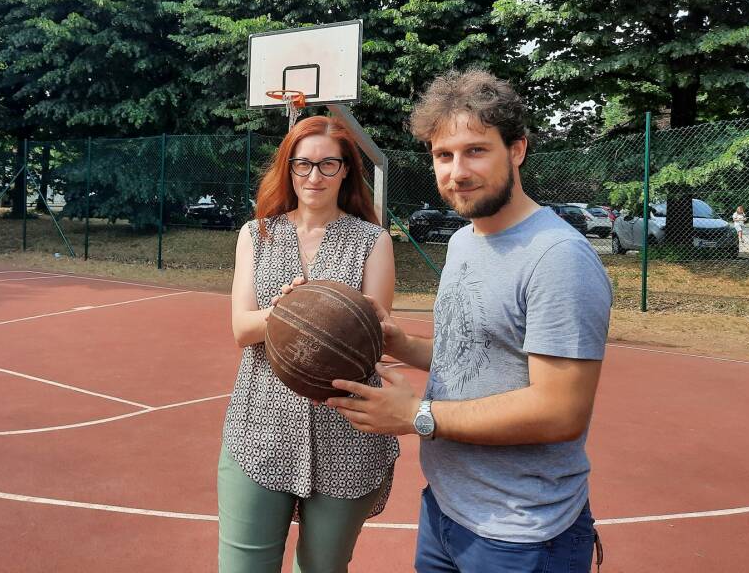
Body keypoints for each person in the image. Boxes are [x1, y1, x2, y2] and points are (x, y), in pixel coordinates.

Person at [327, 70, 611, 573]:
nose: (457, 172)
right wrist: (397, 342)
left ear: (517, 150)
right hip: (447, 511)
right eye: (443, 155)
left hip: (521, 533)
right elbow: (471, 358)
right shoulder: (464, 241)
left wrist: (418, 416)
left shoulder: (558, 257)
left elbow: (560, 411)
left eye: (476, 150)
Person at [219, 115, 399, 573]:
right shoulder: (256, 234)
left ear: (345, 171)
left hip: (348, 433)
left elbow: (369, 339)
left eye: (327, 165)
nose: (314, 176)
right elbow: (242, 329)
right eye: (303, 165)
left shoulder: (372, 240)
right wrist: (290, 314)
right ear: (288, 168)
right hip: (261, 427)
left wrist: (322, 318)